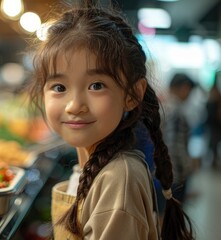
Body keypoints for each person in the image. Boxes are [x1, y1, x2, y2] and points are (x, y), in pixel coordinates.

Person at [25, 0, 194, 239]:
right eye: (59, 87)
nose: (75, 106)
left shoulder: (119, 180)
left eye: (96, 85)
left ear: (132, 94)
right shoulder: (90, 169)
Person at [161, 73, 196, 203]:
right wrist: (185, 171)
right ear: (184, 88)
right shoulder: (176, 112)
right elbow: (174, 146)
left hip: (166, 172)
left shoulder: (164, 107)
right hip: (175, 175)